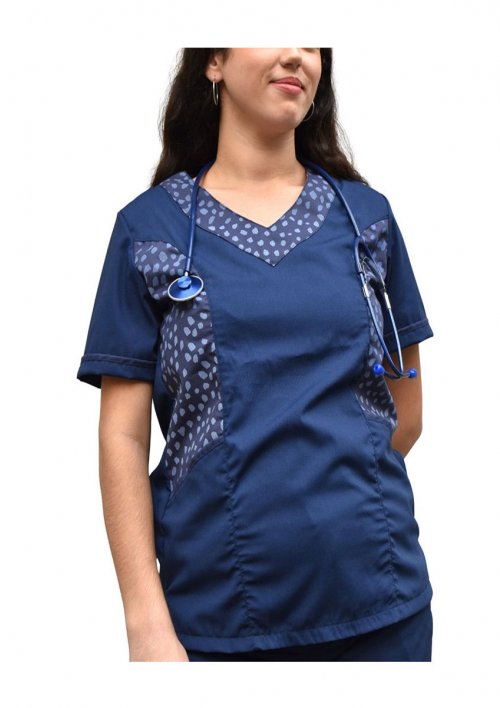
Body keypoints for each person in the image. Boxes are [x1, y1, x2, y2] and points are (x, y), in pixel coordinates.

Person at [76, 48, 435, 662]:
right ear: (213, 61)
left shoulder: (367, 219)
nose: (296, 53)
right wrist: (145, 620)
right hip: (216, 617)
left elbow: (407, 412)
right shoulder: (150, 231)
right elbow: (123, 439)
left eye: (311, 40)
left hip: (382, 606)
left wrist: (336, 499)